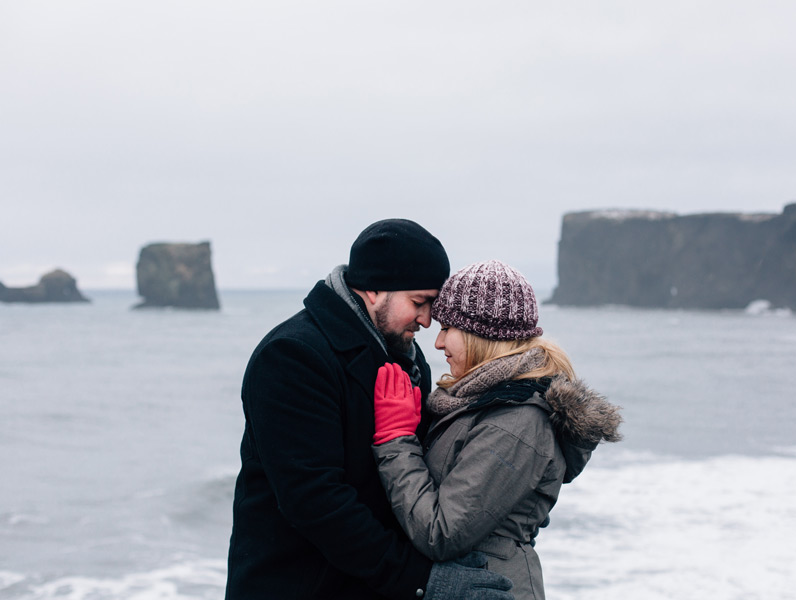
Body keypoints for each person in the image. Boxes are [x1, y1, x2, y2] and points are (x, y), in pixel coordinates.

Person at [225, 221, 514, 599]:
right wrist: (421, 580)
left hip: (365, 583)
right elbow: (315, 499)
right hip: (297, 583)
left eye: (432, 305)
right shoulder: (293, 356)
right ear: (375, 289)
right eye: (419, 302)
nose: (427, 320)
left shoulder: (406, 359)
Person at [371, 259, 623, 600]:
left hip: (495, 589)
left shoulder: (517, 422)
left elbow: (442, 533)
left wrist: (396, 440)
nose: (438, 342)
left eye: (448, 328)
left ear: (482, 335)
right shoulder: (479, 402)